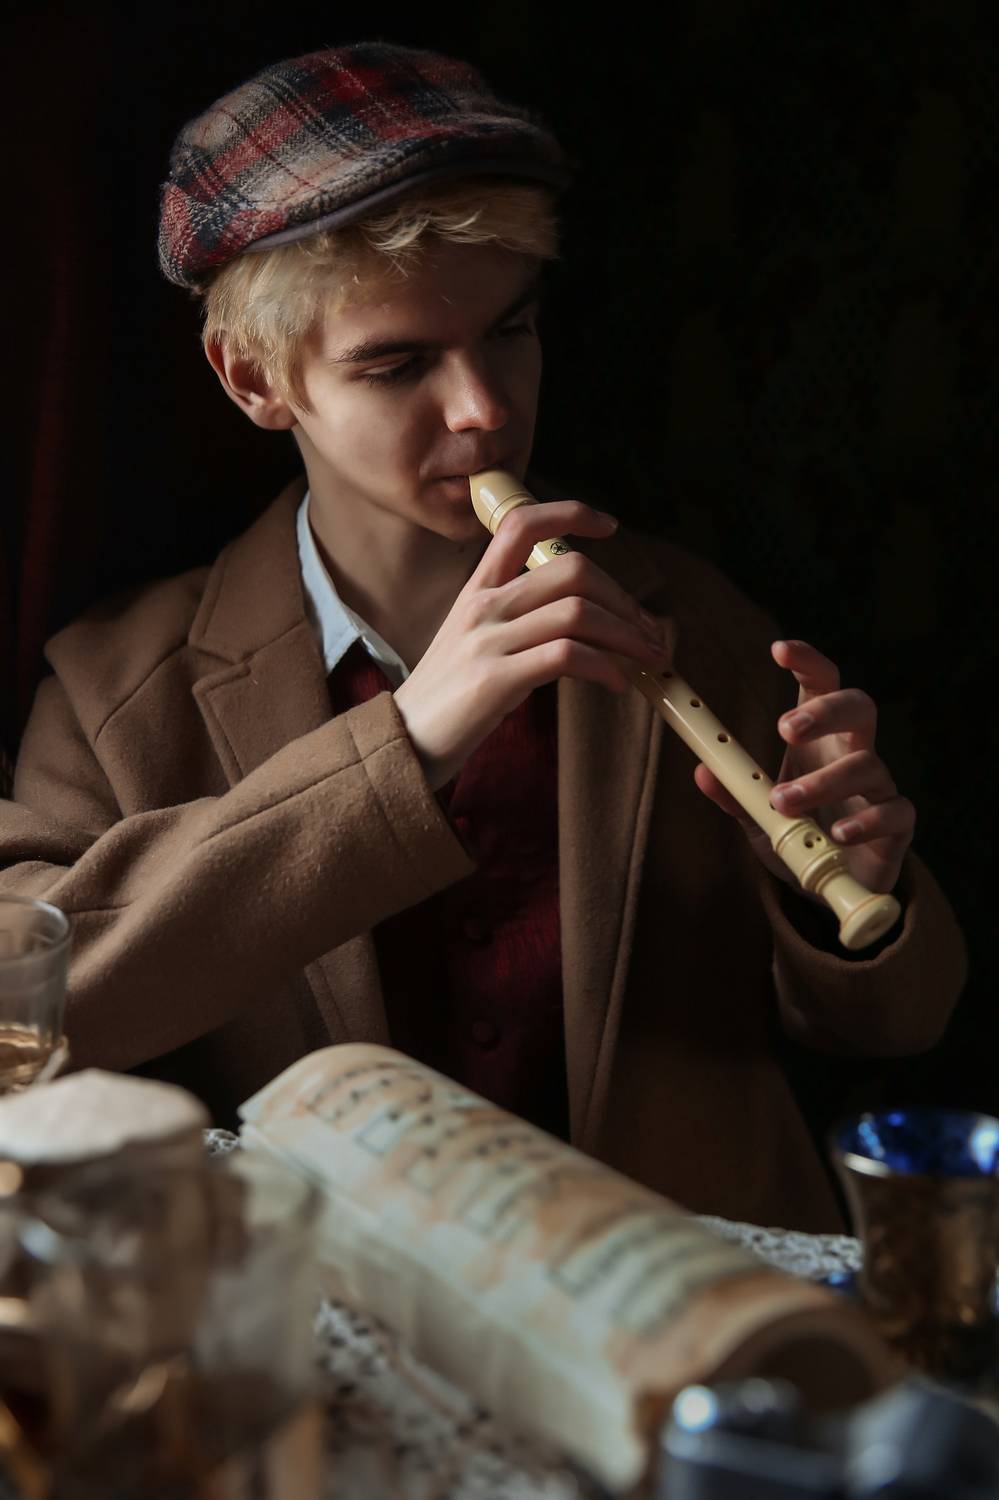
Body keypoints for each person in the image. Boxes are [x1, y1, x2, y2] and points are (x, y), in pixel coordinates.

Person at [0, 43, 965, 1230]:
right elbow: (25, 1016)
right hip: (311, 1303)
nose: (486, 409)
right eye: (399, 364)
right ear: (253, 379)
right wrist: (405, 741)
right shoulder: (112, 688)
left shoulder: (695, 622)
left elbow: (895, 1027)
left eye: (511, 331)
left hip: (667, 1287)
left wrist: (854, 903)